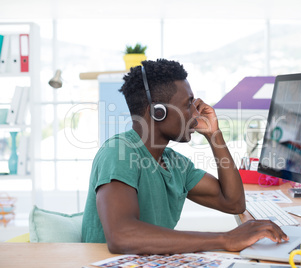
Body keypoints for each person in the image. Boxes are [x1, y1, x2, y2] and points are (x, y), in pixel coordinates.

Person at [81, 59, 288, 255]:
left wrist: (215, 135)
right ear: (157, 112)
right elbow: (121, 236)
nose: (195, 113)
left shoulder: (174, 163)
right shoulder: (119, 152)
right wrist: (225, 239)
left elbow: (233, 203)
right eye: (188, 104)